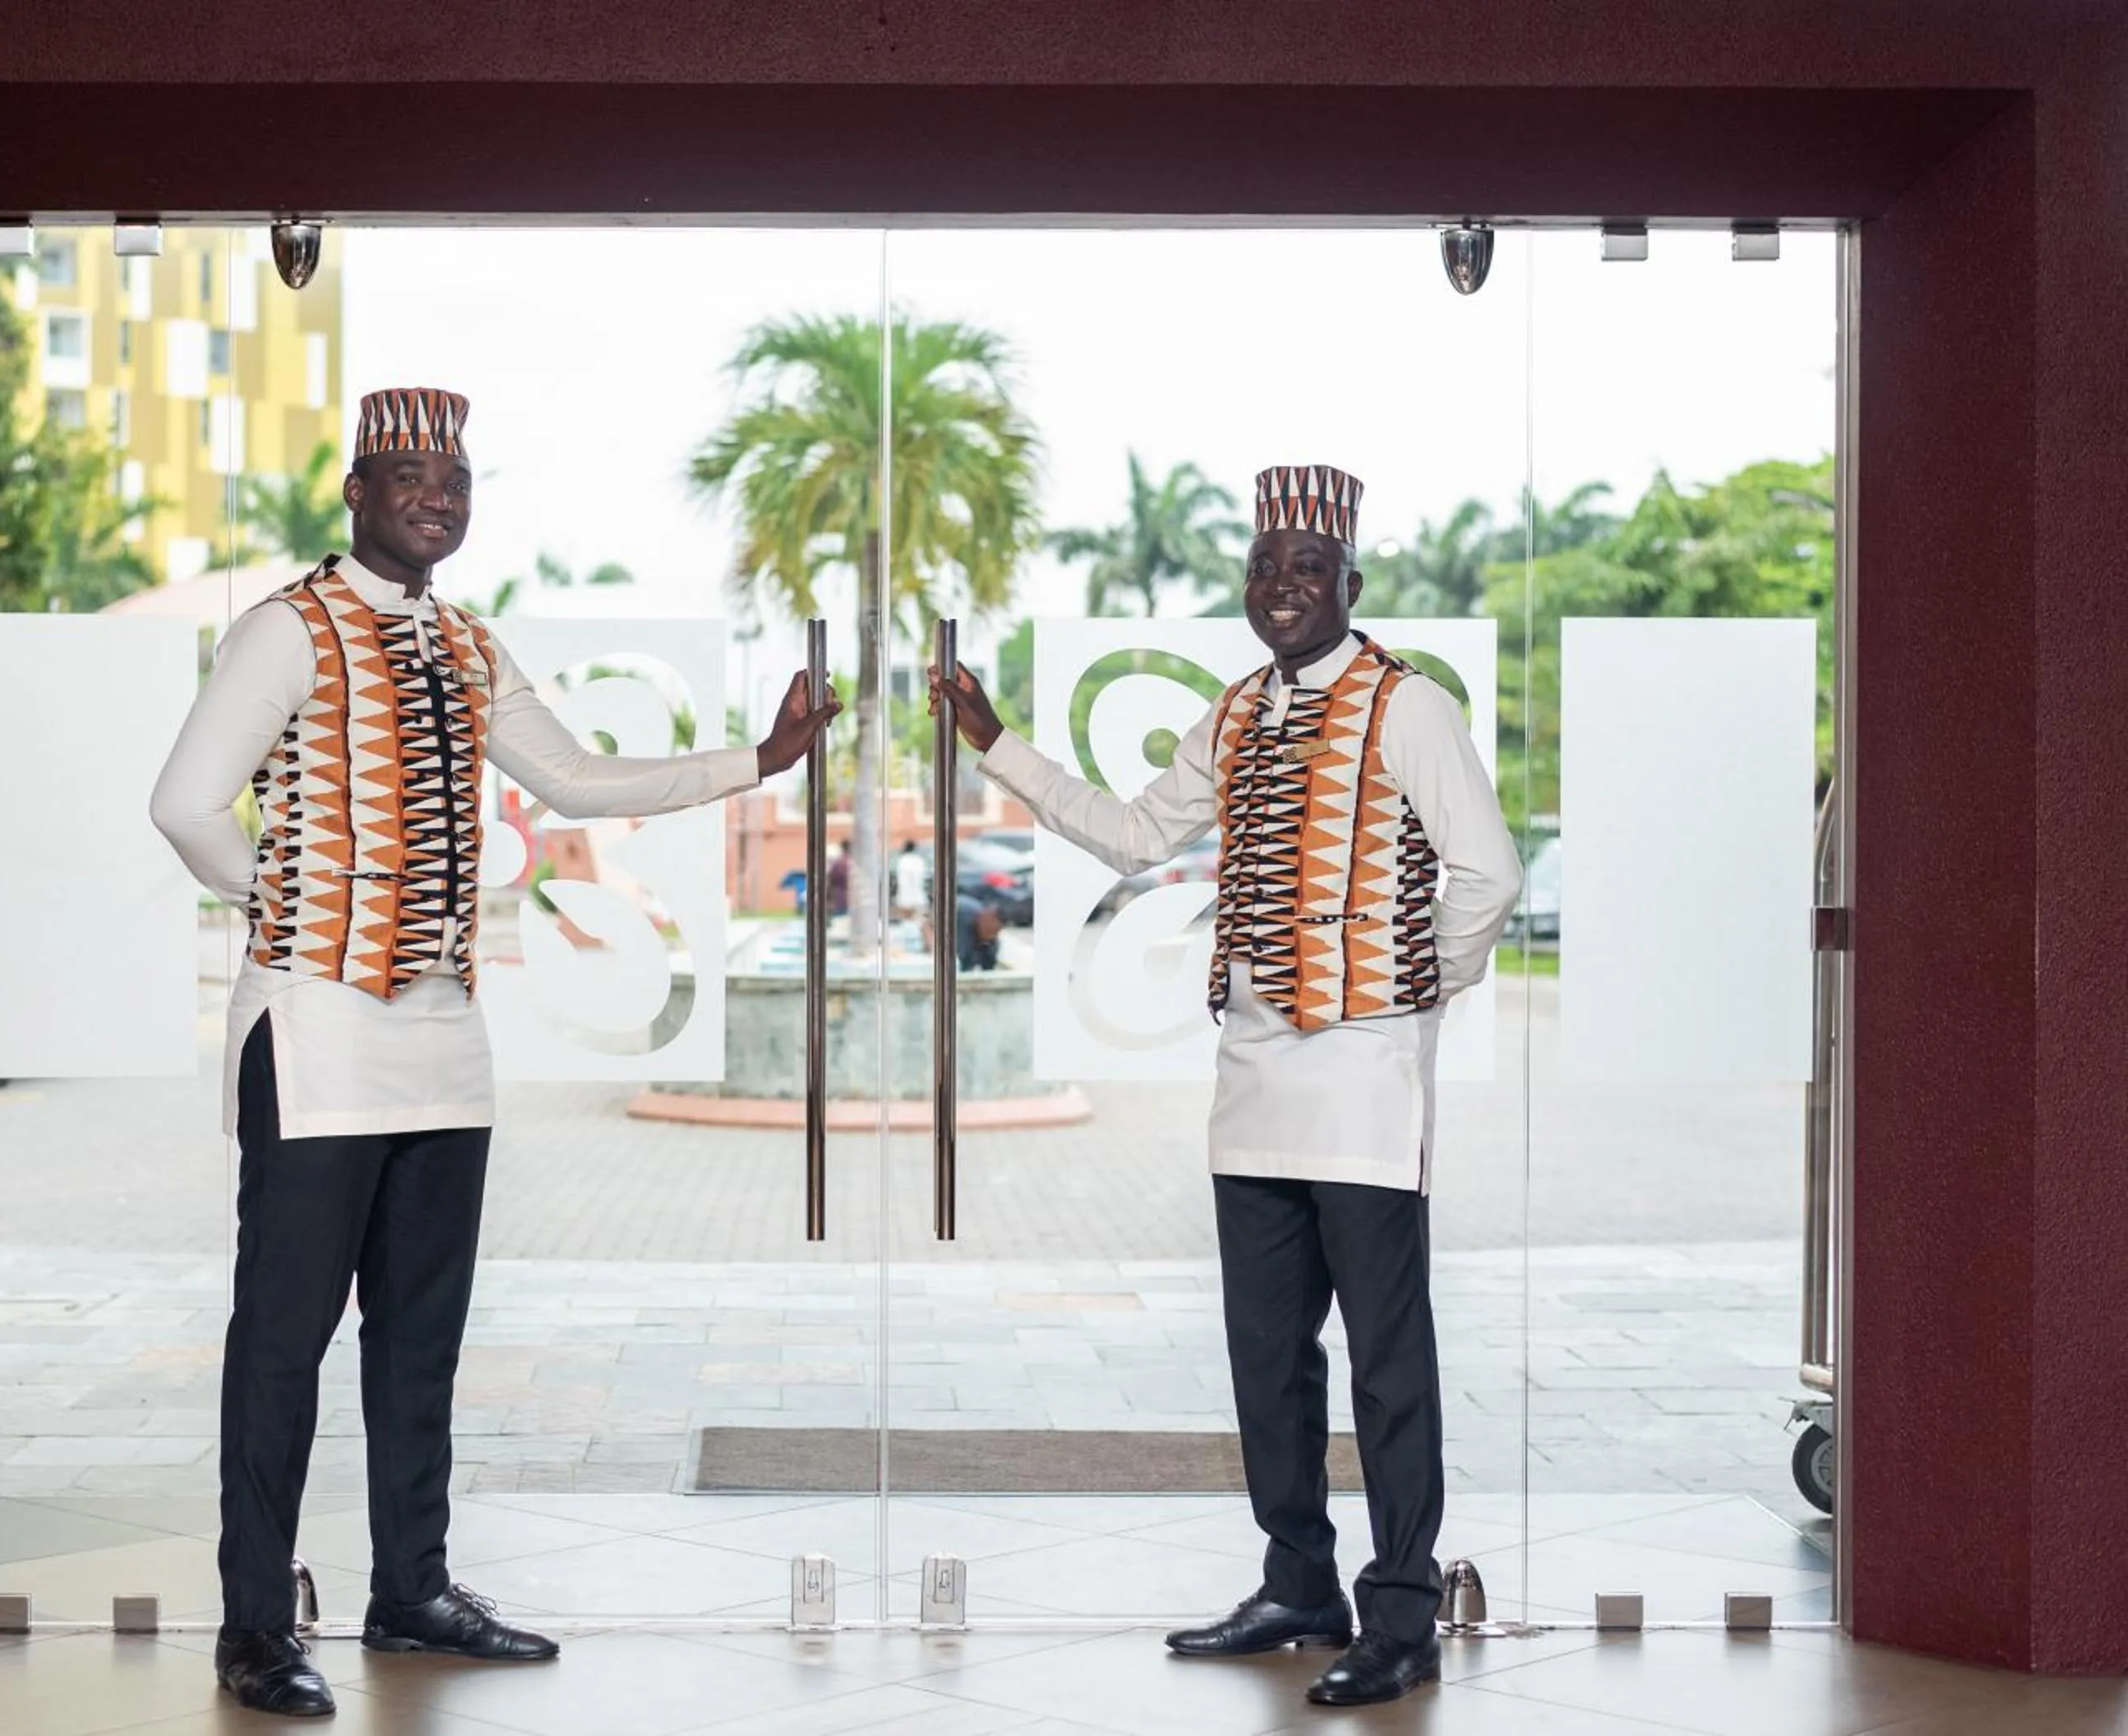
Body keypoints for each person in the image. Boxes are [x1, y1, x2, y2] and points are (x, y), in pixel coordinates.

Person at [150, 387, 837, 1719]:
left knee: (422, 1337)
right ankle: (252, 1625)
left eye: (457, 478)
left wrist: (757, 759)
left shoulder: (468, 643)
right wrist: (283, 910)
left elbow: (576, 780)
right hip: (314, 1033)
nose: (438, 497)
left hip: (443, 1043)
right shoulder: (284, 630)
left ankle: (411, 1592)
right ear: (355, 490)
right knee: (281, 1343)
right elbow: (183, 805)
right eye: (410, 475)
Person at [930, 464, 1518, 1708]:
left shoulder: (1404, 706)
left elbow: (1488, 873)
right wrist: (995, 741)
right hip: (1250, 1079)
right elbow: (1136, 835)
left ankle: (1400, 1610)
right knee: (1268, 1352)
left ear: (1350, 583)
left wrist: (1419, 991)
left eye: (1309, 566)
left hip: (1366, 1086)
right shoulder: (1240, 711)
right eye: (1265, 567)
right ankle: (1299, 1579)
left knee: (1388, 1362)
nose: (1283, 587)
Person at [891, 837, 927, 919]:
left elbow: (900, 880)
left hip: (905, 898)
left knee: (906, 921)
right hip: (919, 898)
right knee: (919, 922)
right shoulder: (919, 861)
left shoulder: (902, 861)